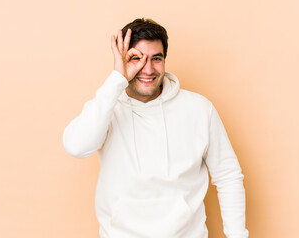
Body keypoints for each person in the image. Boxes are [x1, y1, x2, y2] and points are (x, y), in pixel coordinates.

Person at [63, 18, 249, 238]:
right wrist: (117, 79)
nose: (148, 69)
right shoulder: (106, 108)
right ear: (122, 60)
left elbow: (228, 176)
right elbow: (76, 147)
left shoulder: (199, 109)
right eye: (136, 58)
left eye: (156, 58)